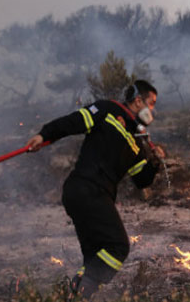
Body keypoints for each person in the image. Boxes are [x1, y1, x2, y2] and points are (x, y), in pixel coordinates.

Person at [26, 80, 164, 299]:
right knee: (118, 247)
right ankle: (81, 293)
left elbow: (141, 180)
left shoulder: (137, 141)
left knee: (94, 258)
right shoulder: (108, 110)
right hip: (86, 189)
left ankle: (75, 294)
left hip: (94, 195)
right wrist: (44, 135)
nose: (153, 110)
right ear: (138, 101)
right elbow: (73, 122)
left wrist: (154, 163)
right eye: (152, 103)